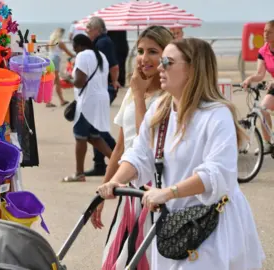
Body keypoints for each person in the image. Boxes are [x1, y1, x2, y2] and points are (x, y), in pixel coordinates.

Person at [97, 38, 265, 269]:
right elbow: (140, 154)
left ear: (192, 69)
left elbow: (218, 173)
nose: (160, 68)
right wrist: (115, 181)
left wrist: (169, 192)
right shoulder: (160, 110)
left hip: (209, 223)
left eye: (168, 62)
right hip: (173, 222)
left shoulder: (216, 115)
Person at [92, 26, 174, 269]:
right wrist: (102, 192)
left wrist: (138, 95)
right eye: (140, 51)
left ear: (166, 56)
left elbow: (144, 144)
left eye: (152, 51)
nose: (144, 58)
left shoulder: (167, 97)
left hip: (150, 191)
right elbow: (120, 147)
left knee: (140, 259)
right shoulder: (135, 89)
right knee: (118, 256)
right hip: (127, 188)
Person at [62, 34, 112, 182]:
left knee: (80, 136)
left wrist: (67, 78)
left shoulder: (83, 56)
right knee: (94, 137)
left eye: (74, 47)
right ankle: (119, 164)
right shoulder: (101, 55)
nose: (74, 51)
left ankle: (79, 173)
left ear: (78, 46)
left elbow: (79, 82)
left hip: (88, 101)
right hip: (101, 99)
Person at [84, 16, 119, 176]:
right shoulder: (101, 42)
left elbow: (113, 65)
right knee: (95, 127)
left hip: (103, 89)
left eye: (89, 28)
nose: (87, 31)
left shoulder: (103, 43)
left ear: (97, 29)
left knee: (97, 128)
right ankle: (100, 164)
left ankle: (120, 156)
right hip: (100, 89)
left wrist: (114, 82)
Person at [242, 20, 274, 153]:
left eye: (269, 32)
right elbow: (260, 74)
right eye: (264, 31)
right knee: (262, 109)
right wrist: (249, 79)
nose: (265, 34)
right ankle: (268, 143)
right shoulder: (263, 50)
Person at [47, 28, 75, 107]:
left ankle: (60, 100)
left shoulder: (51, 41)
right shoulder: (60, 42)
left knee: (55, 81)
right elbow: (67, 52)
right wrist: (75, 56)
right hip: (55, 60)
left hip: (50, 60)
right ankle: (50, 101)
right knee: (55, 81)